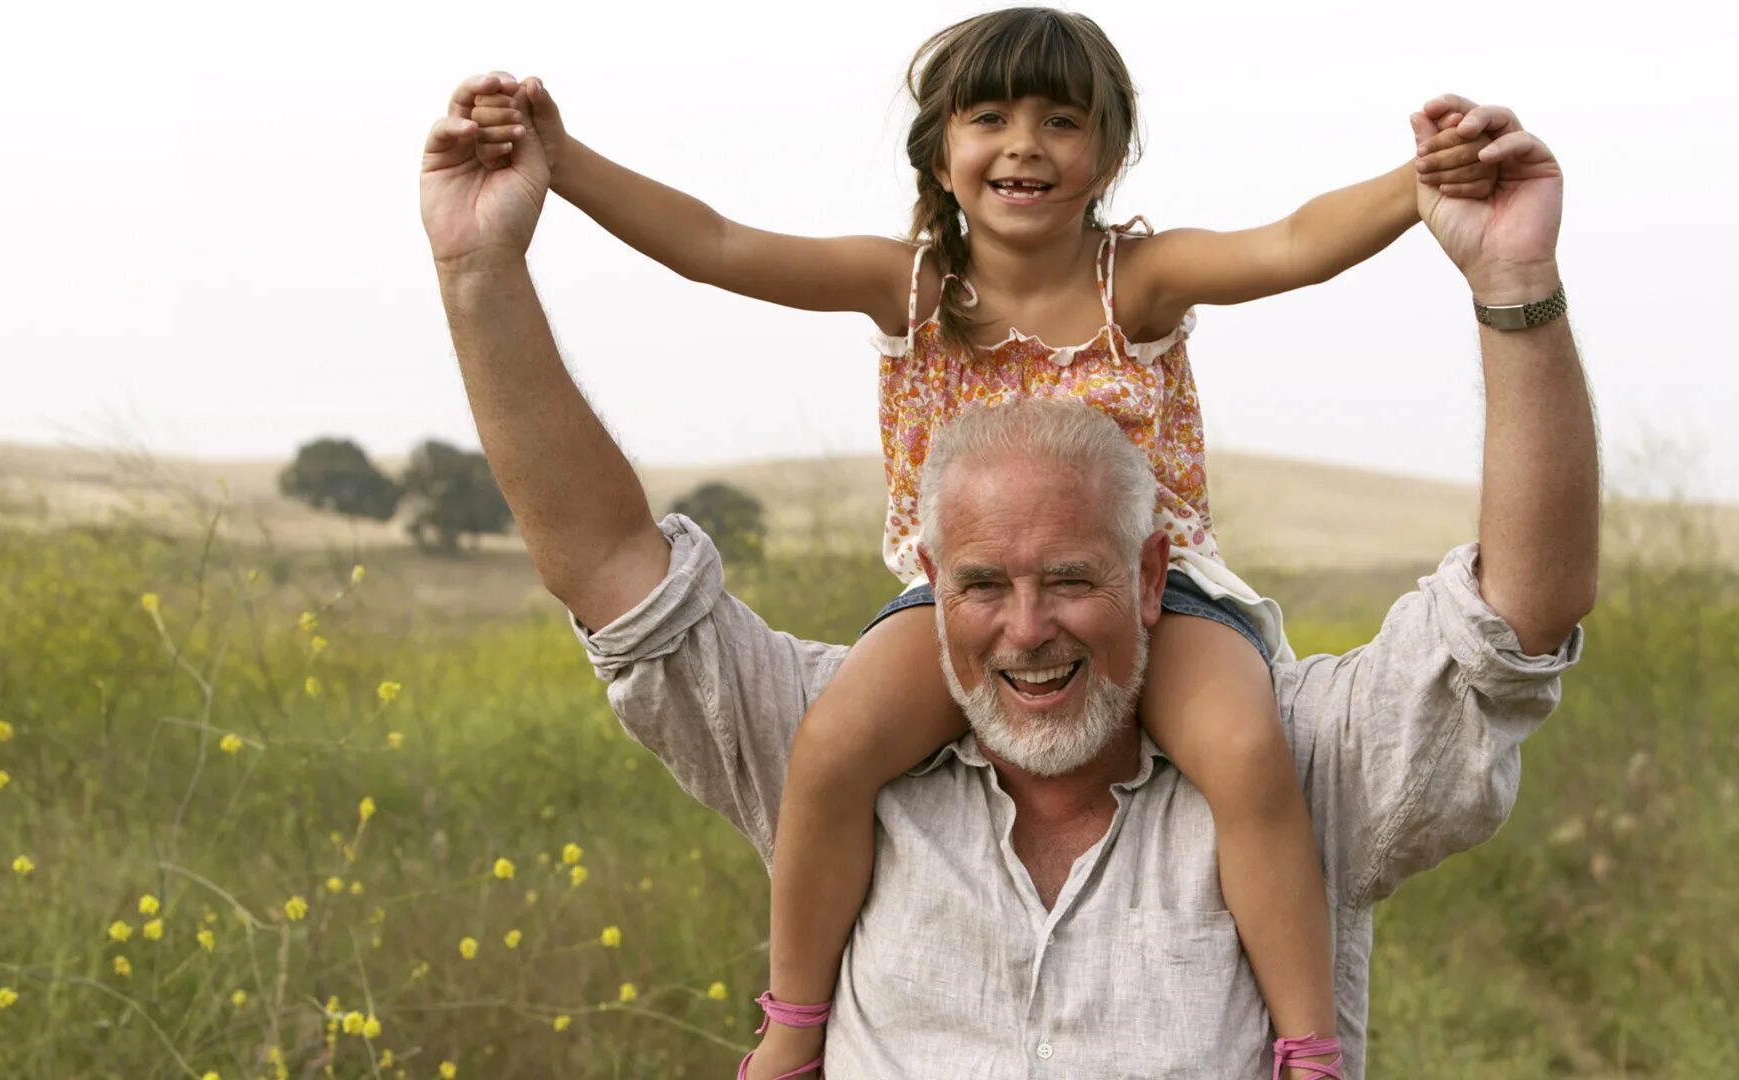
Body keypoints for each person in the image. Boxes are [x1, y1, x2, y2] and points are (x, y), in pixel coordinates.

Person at [422, 68, 1594, 1075]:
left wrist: (1422, 185)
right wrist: (561, 169)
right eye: (988, 118)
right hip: (934, 609)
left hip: (1177, 598)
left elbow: (1291, 243)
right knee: (829, 744)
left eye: (1060, 120)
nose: (1024, 145)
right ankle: (792, 1018)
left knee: (1246, 753)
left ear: (1113, 152)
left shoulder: (1135, 280)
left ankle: (1305, 1047)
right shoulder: (913, 286)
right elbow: (718, 244)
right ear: (938, 149)